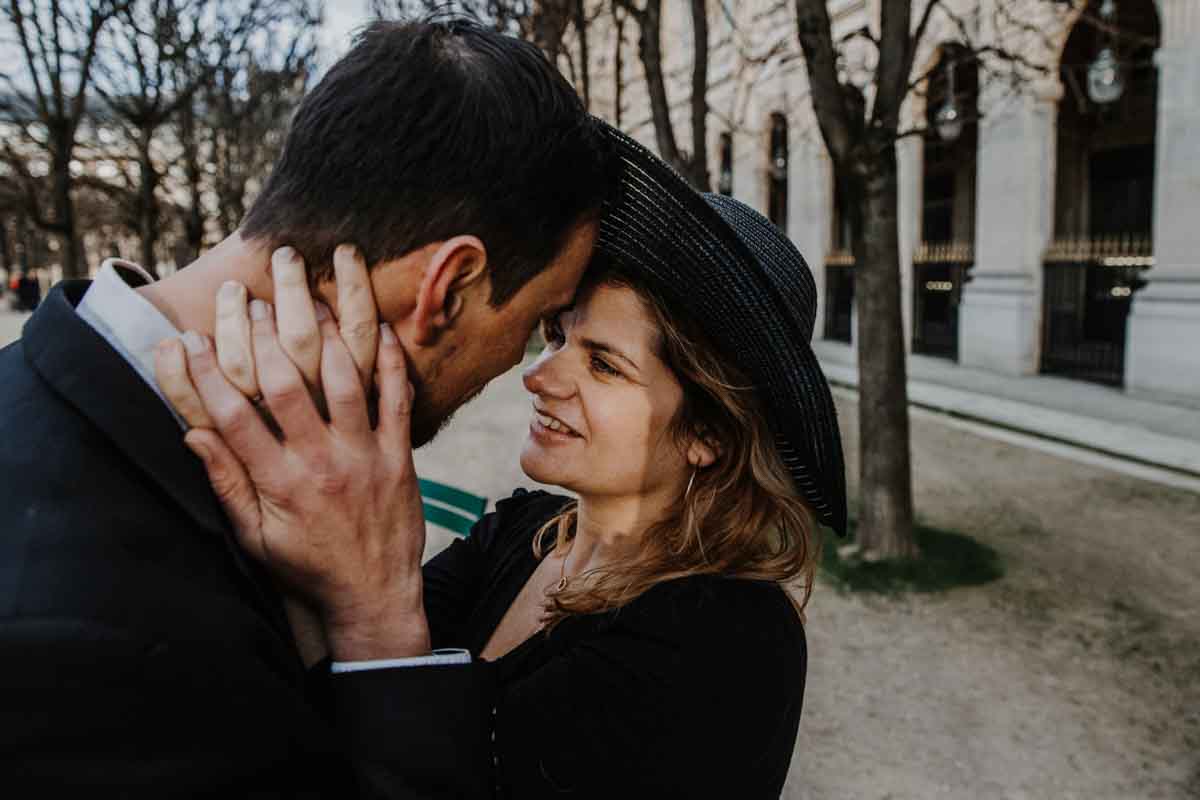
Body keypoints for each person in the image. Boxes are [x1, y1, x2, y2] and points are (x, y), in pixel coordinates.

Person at [0, 17, 617, 796]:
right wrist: (380, 624)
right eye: (535, 324)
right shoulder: (75, 645)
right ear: (449, 287)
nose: (521, 364)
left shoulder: (31, 398)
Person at [158, 126, 848, 797]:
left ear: (710, 433)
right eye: (555, 337)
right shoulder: (525, 532)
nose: (540, 376)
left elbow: (376, 665)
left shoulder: (729, 638)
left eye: (604, 364)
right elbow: (336, 699)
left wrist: (375, 606)